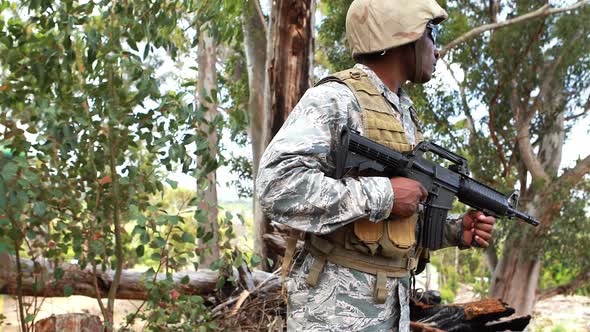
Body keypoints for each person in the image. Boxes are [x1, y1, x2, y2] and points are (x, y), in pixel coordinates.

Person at [256, 0, 495, 331]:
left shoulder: (403, 113)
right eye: (432, 33)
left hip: (389, 309)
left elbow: (394, 219)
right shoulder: (337, 99)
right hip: (333, 314)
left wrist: (454, 230)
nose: (437, 51)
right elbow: (276, 186)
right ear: (405, 33)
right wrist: (384, 194)